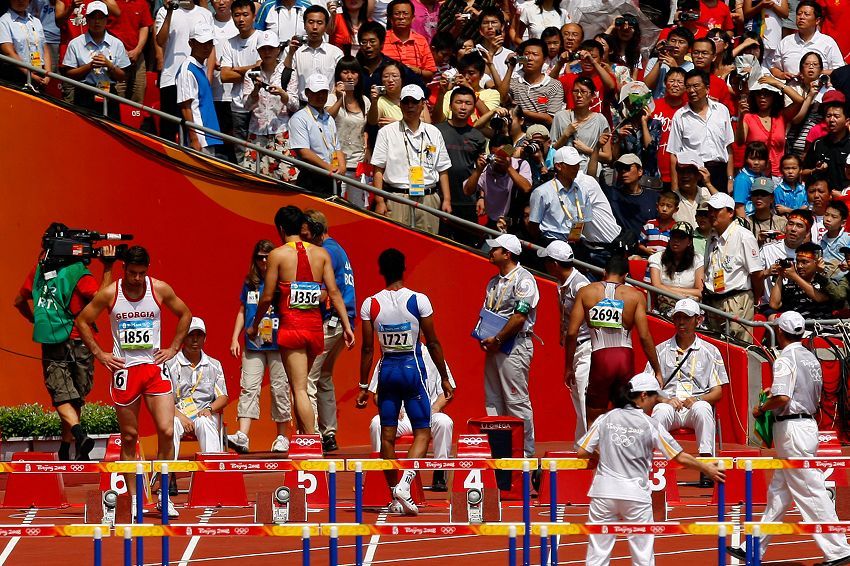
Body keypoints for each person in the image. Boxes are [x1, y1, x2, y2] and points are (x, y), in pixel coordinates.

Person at [76, 246, 192, 517]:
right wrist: (100, 354)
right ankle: (135, 497)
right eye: (132, 273)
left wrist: (174, 348)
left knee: (167, 430)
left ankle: (163, 494)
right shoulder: (110, 293)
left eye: (141, 273)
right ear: (124, 269)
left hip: (154, 369)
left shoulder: (159, 289)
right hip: (125, 371)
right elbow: (82, 321)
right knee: (129, 437)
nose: (137, 279)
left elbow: (185, 314)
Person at [727, 311, 850, 566]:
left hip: (792, 430)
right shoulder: (810, 357)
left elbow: (783, 398)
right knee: (779, 494)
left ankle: (838, 549)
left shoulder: (785, 359)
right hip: (805, 426)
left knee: (811, 491)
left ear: (780, 332)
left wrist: (762, 408)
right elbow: (797, 391)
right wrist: (776, 393)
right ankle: (753, 547)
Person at [577, 372, 726, 566]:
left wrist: (604, 457)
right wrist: (706, 468)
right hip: (635, 495)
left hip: (604, 492)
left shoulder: (607, 418)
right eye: (655, 398)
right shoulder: (650, 424)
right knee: (643, 557)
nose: (655, 403)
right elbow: (679, 456)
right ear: (643, 395)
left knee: (597, 555)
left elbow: (582, 451)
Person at [355, 248, 453, 514]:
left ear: (381, 271)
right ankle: (405, 485)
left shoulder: (370, 304)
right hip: (412, 371)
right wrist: (444, 377)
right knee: (423, 432)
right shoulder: (419, 300)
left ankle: (393, 495)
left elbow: (367, 349)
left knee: (386, 436)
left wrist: (363, 386)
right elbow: (433, 342)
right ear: (404, 269)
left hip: (387, 371)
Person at [248, 206, 355, 436]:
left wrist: (254, 325)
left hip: (292, 328)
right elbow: (334, 293)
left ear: (281, 229)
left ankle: (310, 439)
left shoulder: (278, 255)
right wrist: (347, 326)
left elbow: (267, 297)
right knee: (304, 386)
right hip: (315, 328)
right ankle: (307, 437)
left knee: (299, 389)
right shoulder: (321, 254)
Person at [13, 228, 115, 461]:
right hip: (80, 340)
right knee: (72, 396)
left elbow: (19, 301)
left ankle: (67, 446)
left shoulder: (38, 271)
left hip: (52, 339)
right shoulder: (79, 272)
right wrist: (108, 267)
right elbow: (101, 300)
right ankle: (78, 437)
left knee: (63, 395)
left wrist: (35, 319)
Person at [566, 254, 663, 425]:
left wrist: (568, 366)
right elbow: (644, 336)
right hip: (624, 357)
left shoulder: (586, 292)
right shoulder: (635, 295)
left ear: (604, 271)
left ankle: (597, 443)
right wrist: (657, 370)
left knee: (594, 415)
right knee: (625, 413)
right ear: (626, 275)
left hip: (600, 358)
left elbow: (572, 333)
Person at [476, 233, 539, 457]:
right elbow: (487, 312)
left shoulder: (524, 280)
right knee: (493, 400)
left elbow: (520, 316)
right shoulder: (493, 282)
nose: (490, 252)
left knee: (516, 401)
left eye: (495, 249)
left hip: (514, 345)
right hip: (494, 345)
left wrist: (498, 339)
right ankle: (499, 452)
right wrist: (483, 336)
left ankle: (525, 454)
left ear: (507, 254)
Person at [227, 240, 292, 454]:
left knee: (279, 388)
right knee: (249, 387)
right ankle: (243, 436)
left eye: (267, 257)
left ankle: (282, 437)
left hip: (278, 343)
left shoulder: (283, 281)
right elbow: (242, 310)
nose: (264, 261)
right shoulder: (251, 283)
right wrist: (235, 338)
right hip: (253, 344)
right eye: (260, 257)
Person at [301, 210, 356, 453]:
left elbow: (325, 293)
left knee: (307, 380)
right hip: (342, 321)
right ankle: (329, 434)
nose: (303, 238)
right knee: (323, 377)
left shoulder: (326, 252)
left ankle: (311, 435)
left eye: (305, 233)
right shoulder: (337, 249)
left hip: (331, 321)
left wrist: (294, 297)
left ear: (315, 229)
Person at [366, 346, 455, 492]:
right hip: (401, 417)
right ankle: (380, 472)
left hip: (428, 414)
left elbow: (447, 392)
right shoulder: (388, 355)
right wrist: (391, 408)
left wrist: (434, 408)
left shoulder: (434, 356)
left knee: (444, 422)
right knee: (377, 423)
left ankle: (439, 473)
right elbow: (377, 393)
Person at [648, 298, 728, 461]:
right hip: (670, 405)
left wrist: (697, 399)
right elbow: (648, 389)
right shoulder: (660, 350)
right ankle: (655, 462)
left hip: (695, 405)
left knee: (703, 408)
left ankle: (706, 461)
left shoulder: (711, 351)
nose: (681, 322)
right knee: (660, 410)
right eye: (678, 317)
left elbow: (717, 392)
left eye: (686, 317)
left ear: (698, 320)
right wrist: (665, 399)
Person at [371, 84, 452, 235]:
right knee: (398, 241)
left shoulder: (434, 132)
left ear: (423, 104)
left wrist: (446, 199)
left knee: (427, 243)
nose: (410, 106)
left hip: (428, 197)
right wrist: (380, 201)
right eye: (406, 101)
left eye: (414, 101)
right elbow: (378, 169)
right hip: (397, 197)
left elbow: (443, 169)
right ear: (400, 104)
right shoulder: (386, 132)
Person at [538, 241, 591, 439]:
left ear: (554, 264)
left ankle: (592, 445)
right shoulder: (562, 284)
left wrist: (568, 365)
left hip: (586, 346)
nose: (544, 264)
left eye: (546, 261)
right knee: (578, 397)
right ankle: (582, 443)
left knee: (584, 398)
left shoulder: (580, 286)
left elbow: (586, 323)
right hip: (576, 347)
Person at [529, 146, 621, 251]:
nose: (576, 168)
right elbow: (533, 225)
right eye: (572, 165)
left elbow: (584, 220)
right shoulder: (542, 192)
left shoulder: (582, 190)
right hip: (551, 243)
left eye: (577, 164)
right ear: (558, 166)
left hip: (575, 243)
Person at [702, 192, 765, 342]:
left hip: (737, 300)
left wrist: (755, 299)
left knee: (738, 345)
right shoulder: (712, 237)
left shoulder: (744, 236)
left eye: (717, 210)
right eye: (710, 210)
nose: (711, 214)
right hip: (713, 300)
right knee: (716, 345)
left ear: (730, 213)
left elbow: (757, 274)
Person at [155, 0, 215, 143]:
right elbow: (160, 41)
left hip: (197, 79)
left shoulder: (205, 14)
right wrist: (169, 12)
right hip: (171, 79)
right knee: (169, 131)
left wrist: (207, 80)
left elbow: (212, 47)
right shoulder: (164, 11)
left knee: (196, 131)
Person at [168, 317, 229, 455]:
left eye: (199, 335)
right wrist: (181, 417)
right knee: (172, 424)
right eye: (190, 335)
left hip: (204, 413)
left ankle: (212, 465)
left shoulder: (214, 365)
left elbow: (223, 397)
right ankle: (168, 467)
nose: (195, 340)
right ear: (183, 338)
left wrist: (209, 409)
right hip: (177, 414)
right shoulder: (170, 364)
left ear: (204, 339)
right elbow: (164, 399)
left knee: (204, 422)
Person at [668, 69, 735, 194]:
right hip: (694, 173)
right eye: (688, 87)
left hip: (720, 172)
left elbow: (728, 147)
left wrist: (730, 178)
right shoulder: (680, 116)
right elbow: (673, 153)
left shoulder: (722, 110)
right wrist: (675, 189)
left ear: (707, 89)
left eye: (696, 86)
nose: (691, 90)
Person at [435, 85, 487, 245]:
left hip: (467, 202)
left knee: (466, 248)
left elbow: (481, 170)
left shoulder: (478, 137)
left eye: (468, 103)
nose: (463, 107)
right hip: (438, 198)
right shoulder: (436, 131)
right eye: (459, 102)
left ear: (473, 107)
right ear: (450, 105)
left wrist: (481, 196)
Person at [61, 2, 129, 117]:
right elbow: (69, 74)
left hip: (109, 91)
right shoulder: (76, 43)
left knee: (110, 126)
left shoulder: (116, 43)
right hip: (85, 92)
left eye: (101, 18)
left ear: (106, 20)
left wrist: (109, 65)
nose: (97, 22)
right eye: (93, 17)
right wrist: (89, 66)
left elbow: (123, 76)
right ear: (87, 19)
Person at [288, 74, 346, 195]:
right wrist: (328, 168)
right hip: (312, 177)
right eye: (316, 92)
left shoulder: (329, 118)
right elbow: (304, 153)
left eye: (324, 92)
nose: (320, 96)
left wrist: (342, 167)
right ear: (307, 93)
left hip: (333, 176)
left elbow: (337, 147)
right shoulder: (299, 118)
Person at [219, 0, 260, 165]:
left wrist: (238, 69)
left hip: (259, 105)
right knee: (241, 151)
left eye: (245, 14)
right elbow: (224, 76)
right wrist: (252, 70)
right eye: (237, 15)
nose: (241, 19)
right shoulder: (229, 43)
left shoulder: (262, 38)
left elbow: (263, 71)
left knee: (260, 148)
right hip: (238, 106)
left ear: (254, 16)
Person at [326, 57, 370, 208]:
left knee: (358, 208)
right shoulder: (330, 98)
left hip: (358, 163)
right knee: (337, 207)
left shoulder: (365, 100)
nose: (350, 76)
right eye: (345, 72)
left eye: (354, 72)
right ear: (338, 75)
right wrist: (340, 98)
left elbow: (367, 127)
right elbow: (327, 119)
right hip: (337, 162)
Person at [177, 24, 225, 156]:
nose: (207, 47)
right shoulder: (187, 70)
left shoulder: (200, 68)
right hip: (200, 138)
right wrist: (194, 139)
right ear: (191, 43)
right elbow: (185, 106)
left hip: (208, 135)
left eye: (209, 43)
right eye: (202, 43)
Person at [550, 76, 611, 173]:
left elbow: (608, 157)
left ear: (593, 96)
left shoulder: (600, 120)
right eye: (575, 91)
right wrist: (565, 135)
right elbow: (551, 150)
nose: (579, 95)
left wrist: (587, 150)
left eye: (584, 92)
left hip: (589, 172)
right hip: (564, 172)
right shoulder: (560, 117)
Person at [467, 142, 533, 229]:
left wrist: (508, 167)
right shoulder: (487, 168)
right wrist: (478, 171)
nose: (499, 160)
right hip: (493, 222)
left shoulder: (520, 165)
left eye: (502, 155)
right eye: (496, 156)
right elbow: (468, 191)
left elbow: (526, 188)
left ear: (510, 153)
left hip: (516, 224)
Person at [285, 6, 343, 104]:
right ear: (304, 25)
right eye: (311, 22)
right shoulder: (293, 51)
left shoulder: (336, 53)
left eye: (319, 23)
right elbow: (285, 77)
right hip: (301, 104)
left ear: (326, 26)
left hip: (328, 105)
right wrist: (290, 54)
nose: (315, 27)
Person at [771, 1, 843, 79]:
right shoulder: (785, 42)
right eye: (799, 14)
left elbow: (840, 71)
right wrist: (781, 75)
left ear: (817, 20)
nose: (801, 17)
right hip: (790, 85)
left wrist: (816, 73)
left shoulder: (828, 43)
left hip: (819, 86)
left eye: (806, 14)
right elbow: (774, 68)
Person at [502, 38, 564, 127]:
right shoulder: (513, 81)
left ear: (544, 59)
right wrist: (510, 68)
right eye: (526, 54)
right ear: (521, 58)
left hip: (541, 132)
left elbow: (551, 119)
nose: (530, 58)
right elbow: (502, 98)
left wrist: (520, 111)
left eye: (535, 54)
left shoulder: (554, 85)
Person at [649, 221, 705, 314]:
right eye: (673, 237)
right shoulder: (657, 258)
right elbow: (656, 285)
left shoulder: (698, 259)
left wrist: (675, 292)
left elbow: (700, 291)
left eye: (681, 237)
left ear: (689, 241)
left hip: (689, 304)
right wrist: (678, 295)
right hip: (665, 303)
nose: (676, 240)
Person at [802, 91, 850, 192]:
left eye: (836, 116)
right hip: (822, 198)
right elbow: (803, 172)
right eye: (828, 116)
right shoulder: (818, 144)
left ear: (847, 121)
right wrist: (815, 170)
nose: (831, 120)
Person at [768, 242, 832, 318]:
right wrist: (781, 275)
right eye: (798, 262)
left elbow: (820, 298)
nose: (799, 266)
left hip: (820, 324)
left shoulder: (824, 280)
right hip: (796, 324)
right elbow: (774, 305)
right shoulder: (792, 284)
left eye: (804, 262)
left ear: (817, 262)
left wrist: (795, 276)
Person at [107, 0, 153, 104]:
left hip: (137, 56)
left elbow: (144, 26)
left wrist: (138, 49)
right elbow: (103, 27)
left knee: (138, 94)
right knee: (117, 95)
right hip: (114, 56)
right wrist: (121, 51)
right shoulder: (110, 2)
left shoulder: (142, 3)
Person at [605, 154, 659, 240]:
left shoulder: (653, 197)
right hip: (622, 245)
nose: (623, 171)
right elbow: (591, 176)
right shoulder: (612, 194)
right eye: (619, 168)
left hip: (647, 245)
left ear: (640, 171)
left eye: (627, 168)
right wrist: (597, 149)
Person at [0, 0, 51, 88]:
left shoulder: (36, 21)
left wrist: (48, 74)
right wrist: (29, 74)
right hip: (17, 75)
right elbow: (8, 52)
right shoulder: (4, 21)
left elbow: (45, 49)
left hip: (39, 73)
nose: (20, 1)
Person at [382, 0, 436, 82]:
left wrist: (418, 71)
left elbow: (430, 73)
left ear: (413, 18)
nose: (401, 17)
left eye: (405, 13)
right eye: (397, 14)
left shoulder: (421, 40)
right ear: (390, 18)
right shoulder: (382, 39)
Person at [652, 68, 688, 189]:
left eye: (680, 82)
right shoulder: (653, 105)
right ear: (665, 83)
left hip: (681, 172)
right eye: (672, 81)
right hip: (654, 171)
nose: (675, 85)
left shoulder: (689, 110)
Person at [672, 150, 715, 228]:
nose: (685, 176)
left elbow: (724, 208)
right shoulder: (672, 199)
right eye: (681, 172)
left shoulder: (707, 193)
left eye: (689, 172)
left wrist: (708, 183)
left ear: (699, 175)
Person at [733, 144, 771, 218]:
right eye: (752, 158)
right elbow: (739, 207)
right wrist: (745, 224)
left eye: (760, 159)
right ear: (746, 159)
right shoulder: (743, 179)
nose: (756, 162)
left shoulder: (762, 176)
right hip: (749, 219)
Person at [637, 191, 680, 257]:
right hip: (650, 259)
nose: (664, 209)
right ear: (657, 206)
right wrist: (645, 249)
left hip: (668, 260)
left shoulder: (676, 228)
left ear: (676, 210)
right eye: (662, 205)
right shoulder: (649, 225)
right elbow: (640, 243)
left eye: (669, 206)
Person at [747, 178, 787, 247]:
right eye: (755, 194)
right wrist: (758, 243)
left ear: (772, 198)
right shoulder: (745, 223)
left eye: (763, 194)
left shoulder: (782, 222)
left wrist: (783, 240)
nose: (759, 197)